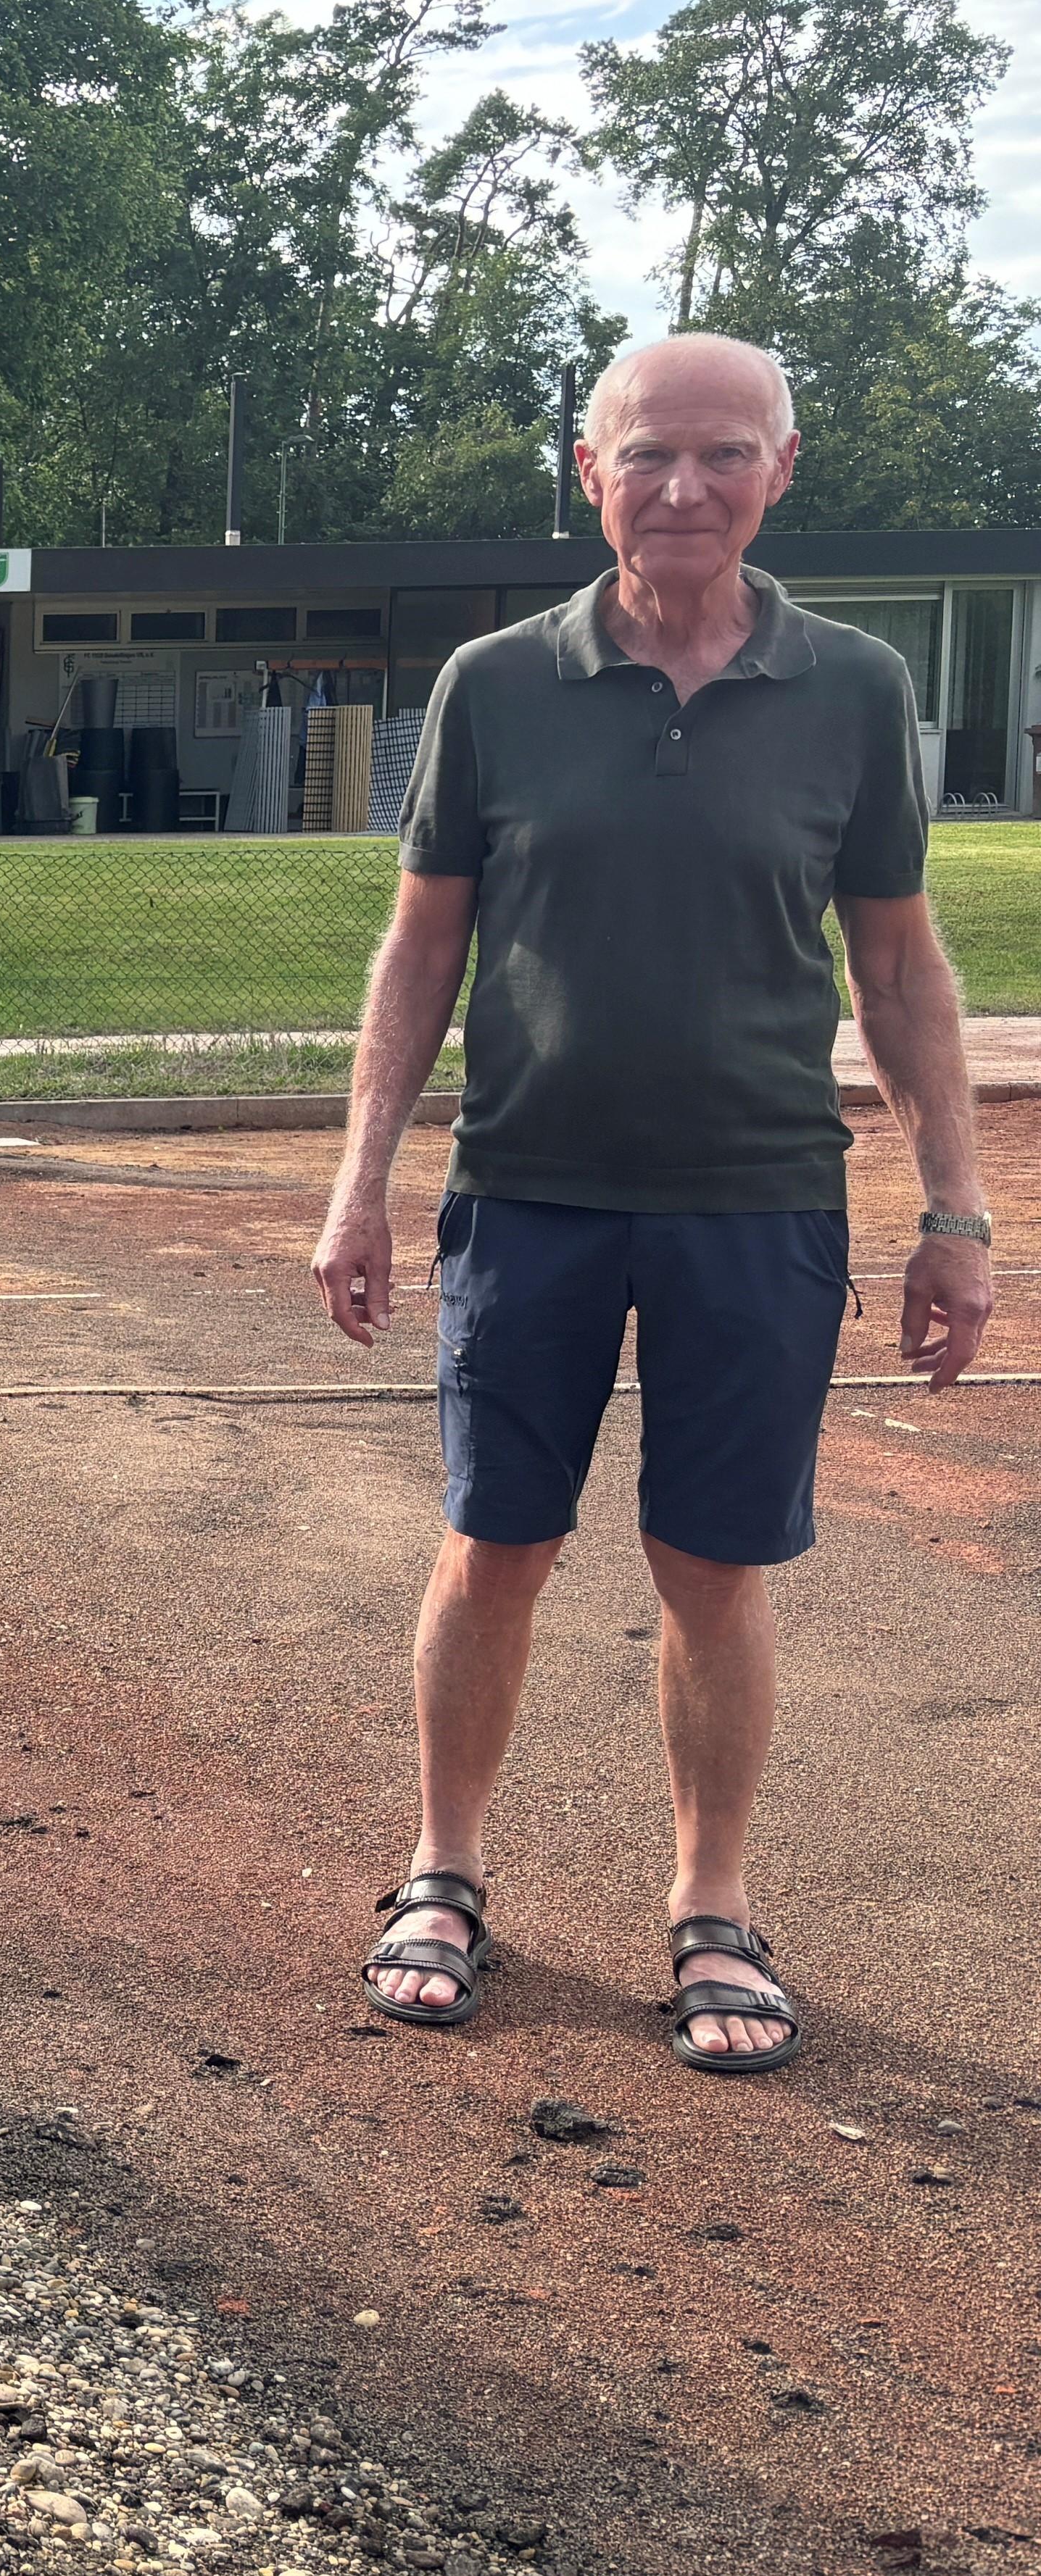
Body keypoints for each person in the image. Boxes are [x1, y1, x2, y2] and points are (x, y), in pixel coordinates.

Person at [313, 331, 995, 2076]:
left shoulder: (852, 691)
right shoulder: (494, 683)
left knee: (713, 1569)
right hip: (529, 1191)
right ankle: (444, 1872)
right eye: (650, 457)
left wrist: (958, 1206)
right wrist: (361, 1176)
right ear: (587, 469)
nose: (684, 489)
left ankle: (712, 1906)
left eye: (723, 455)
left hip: (757, 1201)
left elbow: (902, 968)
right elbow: (422, 946)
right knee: (496, 1545)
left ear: (782, 467)